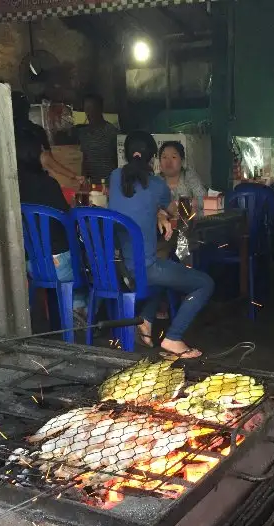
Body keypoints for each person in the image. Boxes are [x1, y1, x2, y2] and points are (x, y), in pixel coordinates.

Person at [108, 131, 214, 359]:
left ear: (126, 154)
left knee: (165, 265)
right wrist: (172, 212)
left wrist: (157, 215)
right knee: (204, 283)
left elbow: (132, 206)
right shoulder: (157, 185)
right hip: (143, 270)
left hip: (114, 268)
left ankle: (145, 323)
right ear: (153, 158)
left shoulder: (115, 176)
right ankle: (173, 337)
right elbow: (180, 214)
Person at [16, 134, 87, 321]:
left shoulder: (15, 185)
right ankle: (78, 316)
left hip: (33, 264)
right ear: (34, 155)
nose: (46, 155)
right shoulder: (47, 184)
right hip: (60, 265)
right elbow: (66, 219)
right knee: (91, 267)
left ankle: (53, 320)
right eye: (42, 152)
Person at [11, 91, 82, 186]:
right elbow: (47, 161)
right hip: (33, 185)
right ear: (27, 109)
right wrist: (73, 176)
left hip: (13, 185)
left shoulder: (3, 133)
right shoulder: (36, 131)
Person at [76, 93, 118, 184]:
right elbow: (85, 159)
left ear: (100, 109)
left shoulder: (111, 132)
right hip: (92, 184)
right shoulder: (84, 133)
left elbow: (118, 159)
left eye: (92, 108)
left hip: (110, 183)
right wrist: (83, 180)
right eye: (86, 109)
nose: (89, 112)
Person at [158, 140, 207, 211]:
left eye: (173, 157)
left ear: (182, 161)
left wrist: (190, 204)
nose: (168, 161)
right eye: (164, 157)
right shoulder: (155, 181)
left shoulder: (189, 176)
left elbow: (204, 200)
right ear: (160, 162)